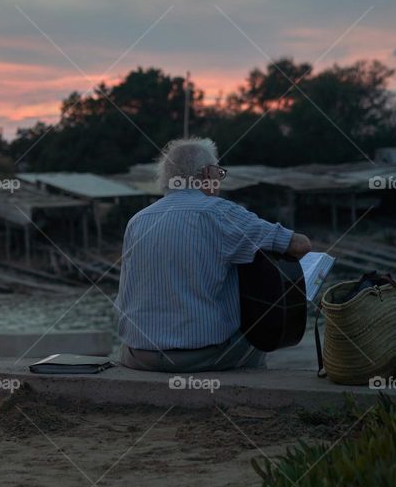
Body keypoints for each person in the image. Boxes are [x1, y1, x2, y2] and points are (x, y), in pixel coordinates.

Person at [115, 138, 312, 372]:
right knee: (258, 346)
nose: (219, 181)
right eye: (219, 173)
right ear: (207, 173)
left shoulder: (137, 220)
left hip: (138, 355)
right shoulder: (219, 212)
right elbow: (299, 245)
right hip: (196, 356)